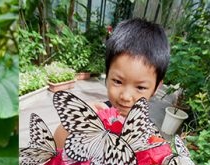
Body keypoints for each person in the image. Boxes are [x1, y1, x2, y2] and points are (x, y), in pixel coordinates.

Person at [53, 17, 170, 148]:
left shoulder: (149, 134)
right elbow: (57, 144)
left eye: (141, 87)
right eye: (118, 81)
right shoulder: (94, 115)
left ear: (156, 87)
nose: (125, 96)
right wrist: (76, 121)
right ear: (107, 76)